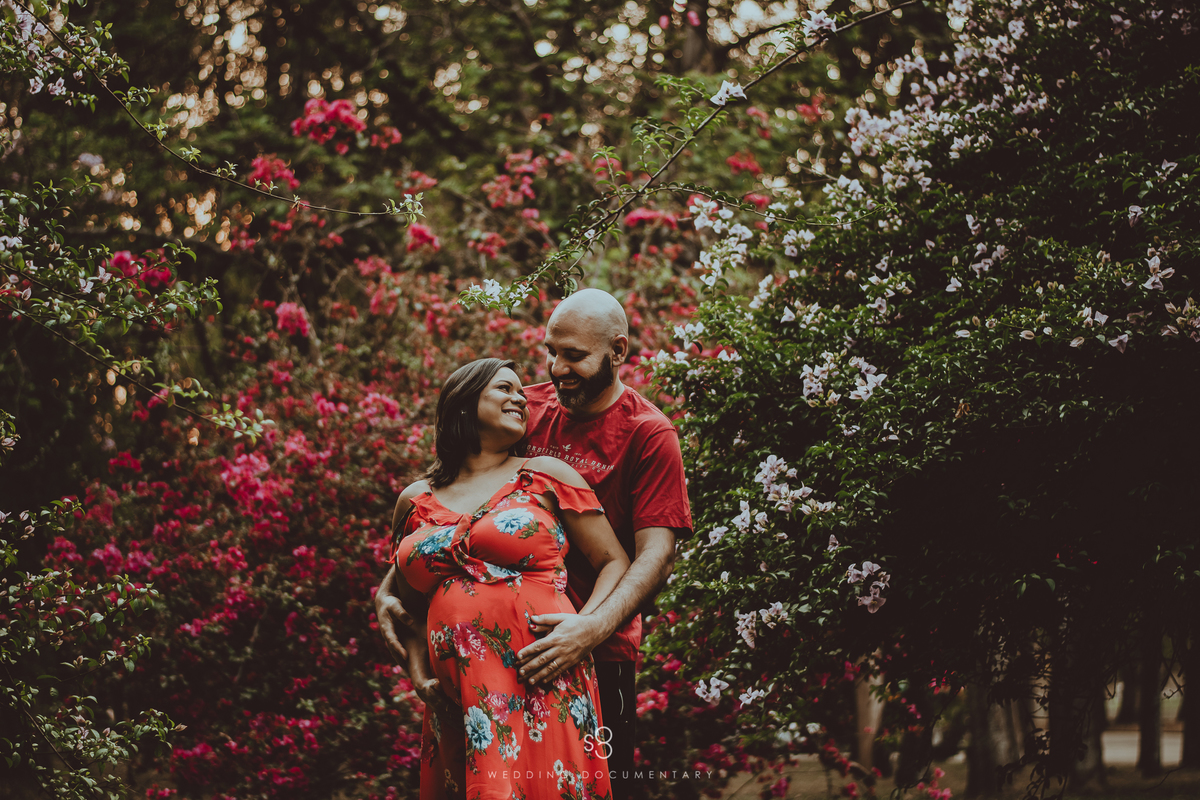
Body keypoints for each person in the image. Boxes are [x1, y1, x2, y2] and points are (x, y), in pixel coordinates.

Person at [377, 289, 693, 799]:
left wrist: (589, 628)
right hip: (479, 663)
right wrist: (388, 589)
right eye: (551, 351)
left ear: (618, 351)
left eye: (574, 356)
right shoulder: (525, 409)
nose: (557, 369)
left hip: (596, 648)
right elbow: (457, 510)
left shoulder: (649, 434)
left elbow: (655, 556)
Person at [387, 357, 630, 800]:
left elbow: (614, 561)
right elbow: (410, 610)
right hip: (455, 700)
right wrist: (419, 677)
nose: (520, 398)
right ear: (463, 403)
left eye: (522, 392)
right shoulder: (414, 500)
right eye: (505, 388)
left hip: (540, 676)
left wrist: (586, 626)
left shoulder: (545, 474)